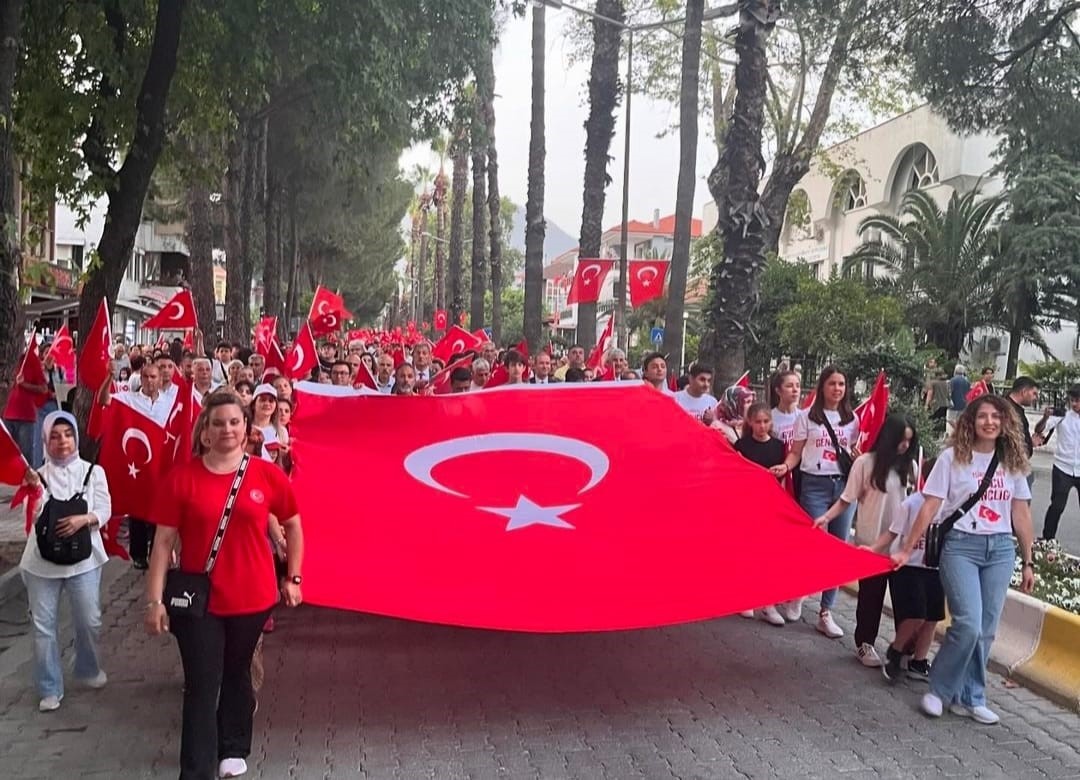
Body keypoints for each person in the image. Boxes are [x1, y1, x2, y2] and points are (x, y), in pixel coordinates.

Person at [145, 392, 304, 780]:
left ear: (246, 429)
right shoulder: (182, 478)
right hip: (199, 603)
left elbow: (294, 524)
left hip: (253, 597)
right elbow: (163, 544)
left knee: (237, 673)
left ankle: (233, 746)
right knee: (201, 683)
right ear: (205, 432)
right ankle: (197, 768)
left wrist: (293, 576)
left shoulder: (266, 475)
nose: (227, 430)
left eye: (234, 422)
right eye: (218, 423)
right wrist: (153, 600)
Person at [892, 394, 1035, 723]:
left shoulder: (1013, 459)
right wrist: (906, 547)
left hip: (999, 549)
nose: (990, 422)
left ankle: (971, 697)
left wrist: (1028, 561)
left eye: (996, 417)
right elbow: (930, 506)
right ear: (971, 421)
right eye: (983, 416)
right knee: (968, 624)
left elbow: (1021, 512)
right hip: (960, 546)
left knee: (985, 630)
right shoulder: (952, 458)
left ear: (1005, 422)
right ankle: (939, 690)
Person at [19, 411, 113, 712]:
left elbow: (105, 508)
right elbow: (32, 518)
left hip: (83, 559)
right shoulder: (37, 475)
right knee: (43, 626)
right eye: (55, 436)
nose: (63, 442)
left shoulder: (93, 472)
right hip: (42, 563)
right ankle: (49, 686)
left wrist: (84, 519)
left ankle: (87, 667)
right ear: (46, 440)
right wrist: (33, 491)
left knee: (89, 619)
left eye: (68, 434)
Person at [812, 414, 917, 666]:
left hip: (901, 546)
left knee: (906, 600)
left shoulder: (911, 467)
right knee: (871, 598)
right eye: (900, 440)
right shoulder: (864, 463)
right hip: (871, 543)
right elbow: (847, 499)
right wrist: (826, 517)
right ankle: (864, 644)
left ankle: (903, 649)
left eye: (909, 442)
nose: (904, 446)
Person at [781, 366, 860, 638]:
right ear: (822, 387)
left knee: (838, 549)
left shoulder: (853, 419)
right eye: (832, 384)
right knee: (812, 543)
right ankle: (798, 592)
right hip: (814, 485)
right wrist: (785, 466)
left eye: (841, 384)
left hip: (843, 487)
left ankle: (826, 612)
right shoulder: (806, 417)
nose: (837, 388)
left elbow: (852, 454)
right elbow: (796, 452)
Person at [870, 457, 942, 685]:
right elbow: (892, 532)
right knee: (916, 614)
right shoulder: (911, 504)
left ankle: (919, 662)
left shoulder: (951, 505)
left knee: (932, 617)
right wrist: (873, 549)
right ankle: (897, 649)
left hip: (936, 567)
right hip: (909, 566)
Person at [734, 403, 788, 626]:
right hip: (746, 504)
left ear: (771, 423)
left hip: (771, 505)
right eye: (758, 422)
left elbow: (785, 477)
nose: (762, 426)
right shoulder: (742, 444)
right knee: (747, 550)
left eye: (766, 422)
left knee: (768, 553)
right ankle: (745, 597)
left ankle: (768, 602)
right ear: (750, 423)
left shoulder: (779, 446)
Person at [1039, 385, 1080, 540]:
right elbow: (1039, 430)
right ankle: (1047, 540)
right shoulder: (1062, 416)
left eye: (1077, 400)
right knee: (1057, 506)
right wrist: (1044, 418)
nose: (1074, 404)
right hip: (1063, 468)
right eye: (1072, 401)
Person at [948, 365, 970, 431]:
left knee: (950, 419)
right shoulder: (967, 381)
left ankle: (958, 431)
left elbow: (949, 392)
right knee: (959, 420)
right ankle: (959, 432)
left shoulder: (952, 380)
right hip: (964, 403)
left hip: (954, 403)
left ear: (955, 371)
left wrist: (949, 400)